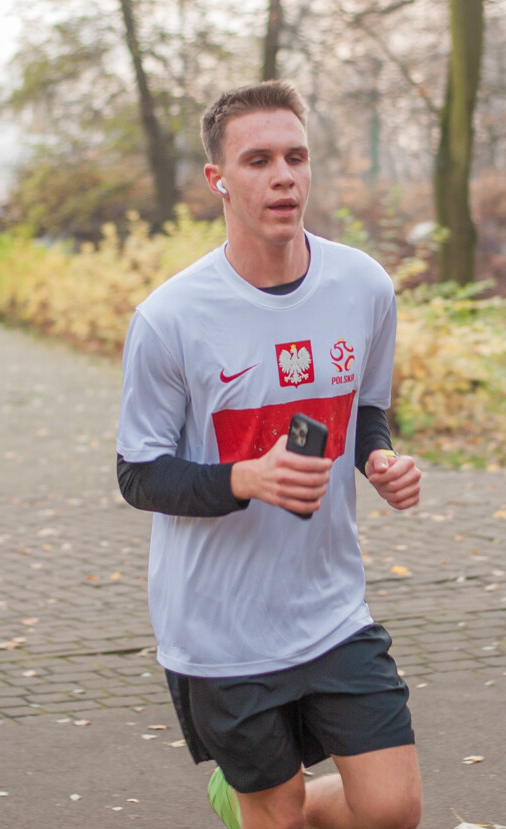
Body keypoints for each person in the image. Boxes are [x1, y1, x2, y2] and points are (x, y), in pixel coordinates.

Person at [115, 80, 423, 829]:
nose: (283, 175)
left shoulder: (363, 286)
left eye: (296, 156)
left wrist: (379, 459)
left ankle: (263, 795)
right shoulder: (170, 318)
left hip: (329, 605)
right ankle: (250, 798)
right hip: (219, 627)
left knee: (392, 810)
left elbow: (366, 408)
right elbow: (138, 472)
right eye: (257, 160)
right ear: (219, 180)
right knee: (276, 818)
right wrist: (244, 477)